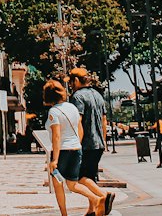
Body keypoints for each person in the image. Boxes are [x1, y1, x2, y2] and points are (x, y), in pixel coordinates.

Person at [43, 79, 112, 216]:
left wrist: (54, 160)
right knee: (72, 184)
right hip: (76, 148)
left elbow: (56, 136)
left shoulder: (53, 112)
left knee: (58, 184)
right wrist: (77, 145)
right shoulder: (72, 108)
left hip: (62, 151)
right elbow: (80, 129)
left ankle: (64, 214)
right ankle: (97, 198)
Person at [69, 67, 109, 199]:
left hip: (86, 144)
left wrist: (76, 144)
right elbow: (104, 120)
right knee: (91, 177)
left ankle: (104, 196)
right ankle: (93, 209)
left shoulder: (77, 97)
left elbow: (78, 121)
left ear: (76, 80)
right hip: (99, 144)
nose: (70, 85)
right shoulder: (98, 95)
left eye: (70, 81)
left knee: (80, 178)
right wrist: (104, 140)